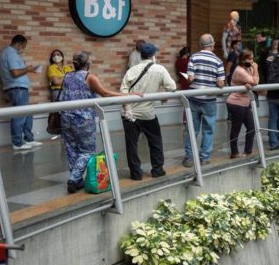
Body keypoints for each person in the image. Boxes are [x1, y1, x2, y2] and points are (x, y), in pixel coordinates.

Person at [61, 51, 139, 193]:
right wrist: (129, 95)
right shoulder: (89, 77)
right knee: (86, 151)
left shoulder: (67, 76)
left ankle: (78, 180)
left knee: (71, 149)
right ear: (88, 63)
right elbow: (105, 93)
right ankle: (73, 179)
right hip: (83, 119)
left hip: (66, 117)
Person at [121, 43, 176, 181]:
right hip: (148, 114)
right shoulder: (160, 69)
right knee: (155, 141)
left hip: (130, 114)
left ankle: (136, 174)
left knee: (131, 145)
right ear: (153, 56)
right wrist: (163, 93)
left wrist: (127, 107)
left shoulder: (131, 71)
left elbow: (123, 91)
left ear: (141, 55)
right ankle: (157, 170)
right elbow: (172, 87)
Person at [182, 34, 225, 167]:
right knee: (208, 130)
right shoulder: (218, 61)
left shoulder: (193, 57)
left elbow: (190, 79)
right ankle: (204, 157)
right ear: (212, 45)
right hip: (209, 100)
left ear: (200, 45)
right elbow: (221, 83)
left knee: (191, 130)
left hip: (194, 98)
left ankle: (189, 158)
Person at [0, 34, 43, 151]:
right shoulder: (11, 54)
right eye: (23, 46)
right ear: (19, 43)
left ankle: (29, 139)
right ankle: (17, 143)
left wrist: (29, 70)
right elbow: (15, 73)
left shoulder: (6, 53)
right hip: (17, 88)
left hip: (17, 88)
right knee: (19, 116)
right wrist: (28, 69)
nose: (23, 49)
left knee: (27, 113)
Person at [226, 49, 259, 158]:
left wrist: (250, 81)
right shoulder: (240, 70)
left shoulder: (247, 68)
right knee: (236, 128)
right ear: (242, 59)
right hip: (236, 103)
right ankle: (234, 153)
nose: (252, 61)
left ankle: (247, 151)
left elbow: (252, 82)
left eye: (252, 58)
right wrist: (255, 68)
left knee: (251, 127)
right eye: (249, 59)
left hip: (243, 103)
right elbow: (255, 81)